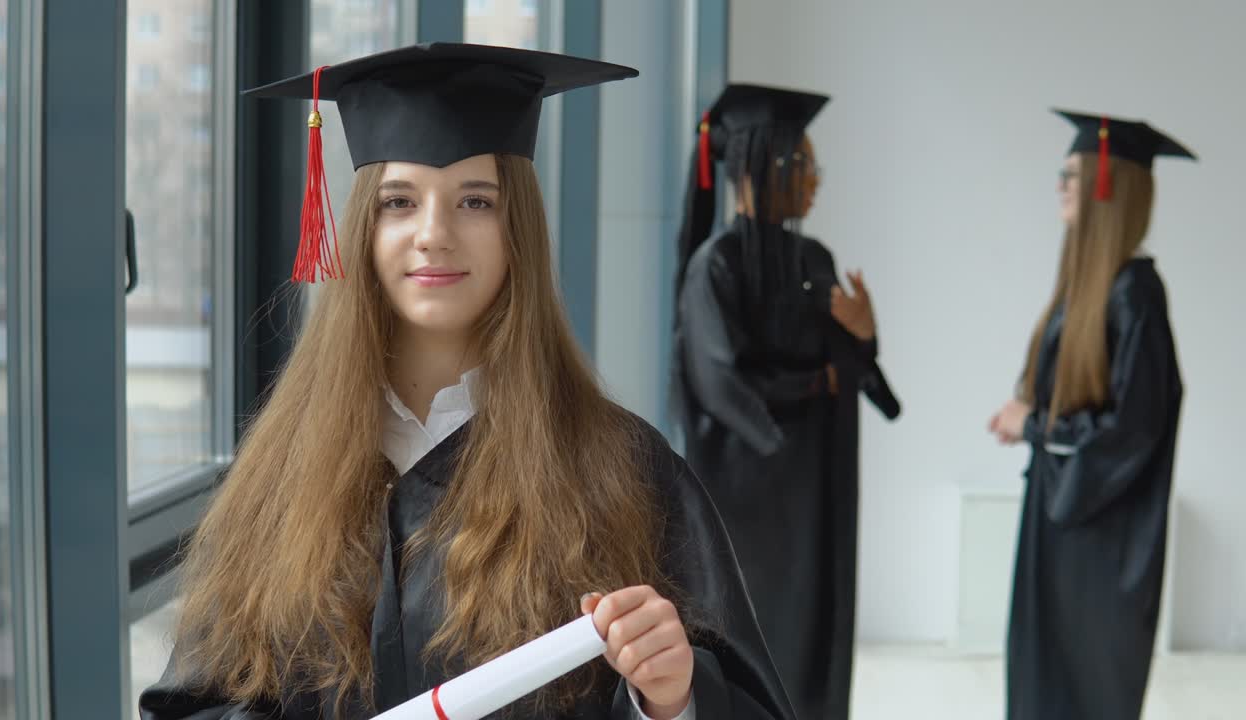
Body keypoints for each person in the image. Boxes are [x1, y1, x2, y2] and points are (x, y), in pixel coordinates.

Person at [139, 43, 794, 720]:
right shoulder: (281, 473)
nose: (434, 233)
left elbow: (744, 702)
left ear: (518, 231)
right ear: (363, 229)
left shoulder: (623, 469)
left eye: (475, 201)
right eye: (399, 201)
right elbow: (197, 701)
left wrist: (672, 701)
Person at [671, 83, 900, 720]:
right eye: (803, 166)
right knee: (761, 632)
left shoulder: (813, 258)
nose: (814, 182)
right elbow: (724, 388)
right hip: (748, 500)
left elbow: (858, 377)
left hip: (816, 488)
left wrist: (864, 336)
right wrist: (818, 384)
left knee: (817, 630)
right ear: (762, 168)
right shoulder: (714, 268)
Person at [988, 109, 1193, 720]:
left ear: (1109, 189)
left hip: (1100, 534)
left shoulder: (1136, 293)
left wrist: (1033, 424)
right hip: (1062, 517)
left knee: (1082, 684)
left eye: (1072, 176)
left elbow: (1134, 429)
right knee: (1044, 673)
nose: (1061, 186)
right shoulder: (1090, 287)